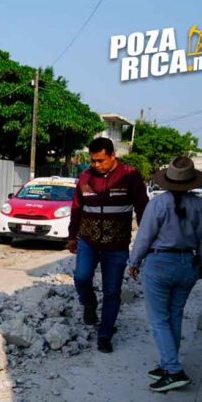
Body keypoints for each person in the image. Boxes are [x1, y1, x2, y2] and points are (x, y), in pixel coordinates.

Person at [128, 156, 202, 392]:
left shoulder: (158, 204)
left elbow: (144, 236)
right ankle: (167, 364)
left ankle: (174, 370)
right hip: (188, 264)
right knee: (174, 315)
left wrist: (134, 261)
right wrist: (201, 263)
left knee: (158, 319)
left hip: (160, 263)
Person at [67, 137, 149, 353]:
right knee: (81, 277)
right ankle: (89, 304)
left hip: (117, 245)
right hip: (88, 241)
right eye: (93, 161)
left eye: (101, 160)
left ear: (113, 156)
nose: (96, 165)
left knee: (112, 291)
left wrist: (146, 238)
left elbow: (143, 209)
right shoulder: (84, 178)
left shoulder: (130, 176)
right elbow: (76, 209)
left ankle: (105, 333)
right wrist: (72, 236)